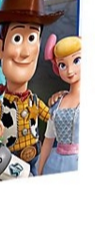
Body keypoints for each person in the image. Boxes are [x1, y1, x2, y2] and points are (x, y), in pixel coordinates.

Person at [0, 0, 63, 175]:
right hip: (8, 166)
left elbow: (54, 117)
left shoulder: (35, 102)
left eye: (32, 39)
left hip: (36, 159)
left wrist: (64, 99)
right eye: (17, 38)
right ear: (0, 48)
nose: (25, 53)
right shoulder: (0, 106)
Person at [38, 36, 81, 175]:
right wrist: (39, 170)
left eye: (77, 61)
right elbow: (48, 139)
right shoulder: (57, 102)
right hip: (54, 164)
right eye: (63, 65)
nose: (70, 71)